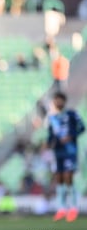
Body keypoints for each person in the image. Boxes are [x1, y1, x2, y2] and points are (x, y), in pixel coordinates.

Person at [47, 92, 85, 222]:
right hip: (58, 152)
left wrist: (71, 136)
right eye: (56, 100)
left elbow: (82, 127)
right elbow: (51, 134)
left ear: (64, 101)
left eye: (60, 100)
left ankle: (73, 207)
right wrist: (49, 142)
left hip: (70, 150)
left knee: (68, 177)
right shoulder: (52, 118)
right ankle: (61, 208)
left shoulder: (72, 114)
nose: (58, 102)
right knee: (59, 178)